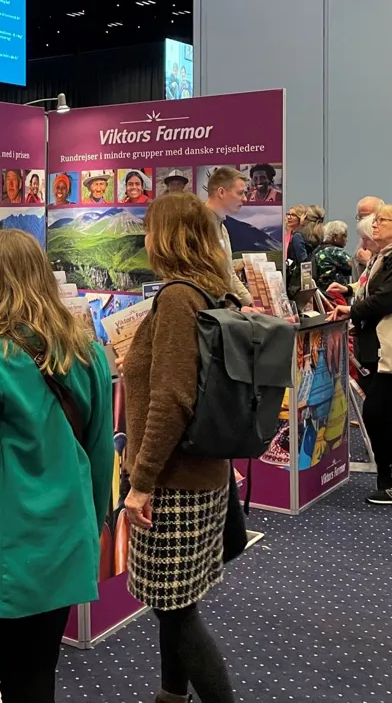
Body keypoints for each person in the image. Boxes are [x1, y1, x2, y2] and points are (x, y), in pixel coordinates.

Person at [0, 228, 114, 702]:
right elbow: (100, 456)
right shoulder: (87, 351)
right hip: (65, 539)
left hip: (6, 550)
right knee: (32, 674)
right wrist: (90, 527)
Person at [121, 193, 237, 703]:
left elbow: (171, 399)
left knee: (176, 610)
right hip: (204, 473)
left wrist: (142, 481)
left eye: (150, 230)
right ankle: (171, 696)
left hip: (173, 481)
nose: (145, 239)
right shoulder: (212, 289)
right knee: (176, 603)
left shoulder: (175, 298)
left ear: (165, 237)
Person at [330, 204, 392, 505]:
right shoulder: (386, 255)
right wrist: (352, 298)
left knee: (378, 411)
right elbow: (373, 290)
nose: (374, 225)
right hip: (382, 344)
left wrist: (352, 310)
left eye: (381, 220)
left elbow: (387, 297)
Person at [201, 167, 255, 307]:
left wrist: (251, 304)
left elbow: (229, 273)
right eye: (240, 193)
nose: (245, 198)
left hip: (221, 308)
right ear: (221, 192)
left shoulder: (222, 227)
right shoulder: (197, 225)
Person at [313, 220, 354, 292]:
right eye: (344, 236)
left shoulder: (318, 249)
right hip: (335, 292)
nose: (346, 240)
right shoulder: (334, 252)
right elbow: (353, 267)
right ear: (335, 236)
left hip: (321, 291)